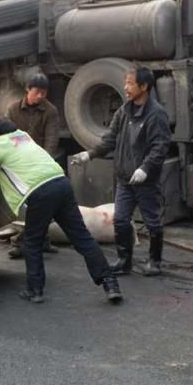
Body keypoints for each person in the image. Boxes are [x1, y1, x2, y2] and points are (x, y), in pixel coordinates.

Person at [0, 117, 122, 305]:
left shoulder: (0, 146)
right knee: (82, 238)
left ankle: (35, 290)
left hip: (40, 192)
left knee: (31, 242)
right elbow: (7, 152)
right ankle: (110, 283)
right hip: (61, 184)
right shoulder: (23, 137)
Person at [71, 66, 171, 276]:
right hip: (125, 179)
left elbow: (159, 147)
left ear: (144, 86)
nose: (125, 87)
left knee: (152, 222)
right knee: (121, 220)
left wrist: (145, 168)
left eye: (130, 83)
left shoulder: (156, 115)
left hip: (146, 181)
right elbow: (110, 140)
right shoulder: (124, 111)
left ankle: (155, 262)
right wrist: (89, 154)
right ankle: (124, 261)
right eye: (125, 83)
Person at [5, 72, 60, 257]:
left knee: (46, 203)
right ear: (28, 89)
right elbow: (8, 137)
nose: (41, 96)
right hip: (19, 163)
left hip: (40, 163)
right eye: (37, 92)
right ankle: (20, 242)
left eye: (44, 92)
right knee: (25, 206)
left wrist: (43, 163)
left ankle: (42, 240)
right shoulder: (13, 110)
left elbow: (52, 140)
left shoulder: (50, 111)